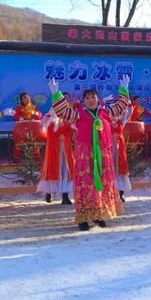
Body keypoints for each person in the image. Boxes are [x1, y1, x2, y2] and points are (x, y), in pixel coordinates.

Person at [48, 75, 130, 231]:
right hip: (85, 156)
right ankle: (83, 219)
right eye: (88, 98)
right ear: (83, 101)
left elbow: (121, 106)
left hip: (103, 155)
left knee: (102, 185)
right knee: (86, 186)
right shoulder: (79, 115)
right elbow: (63, 111)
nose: (91, 100)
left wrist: (124, 89)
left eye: (93, 97)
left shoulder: (106, 113)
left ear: (98, 99)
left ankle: (99, 215)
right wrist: (56, 93)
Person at [37, 108, 75, 206]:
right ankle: (48, 193)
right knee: (52, 171)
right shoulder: (49, 118)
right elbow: (45, 131)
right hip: (54, 151)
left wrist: (65, 135)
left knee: (65, 171)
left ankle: (65, 197)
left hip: (65, 151)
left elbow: (72, 130)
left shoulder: (67, 118)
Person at [109, 99, 133, 202]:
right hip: (109, 148)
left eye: (116, 111)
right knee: (111, 169)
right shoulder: (107, 122)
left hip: (120, 149)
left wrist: (127, 101)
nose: (115, 113)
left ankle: (120, 193)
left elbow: (129, 111)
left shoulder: (121, 122)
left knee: (121, 170)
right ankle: (111, 193)